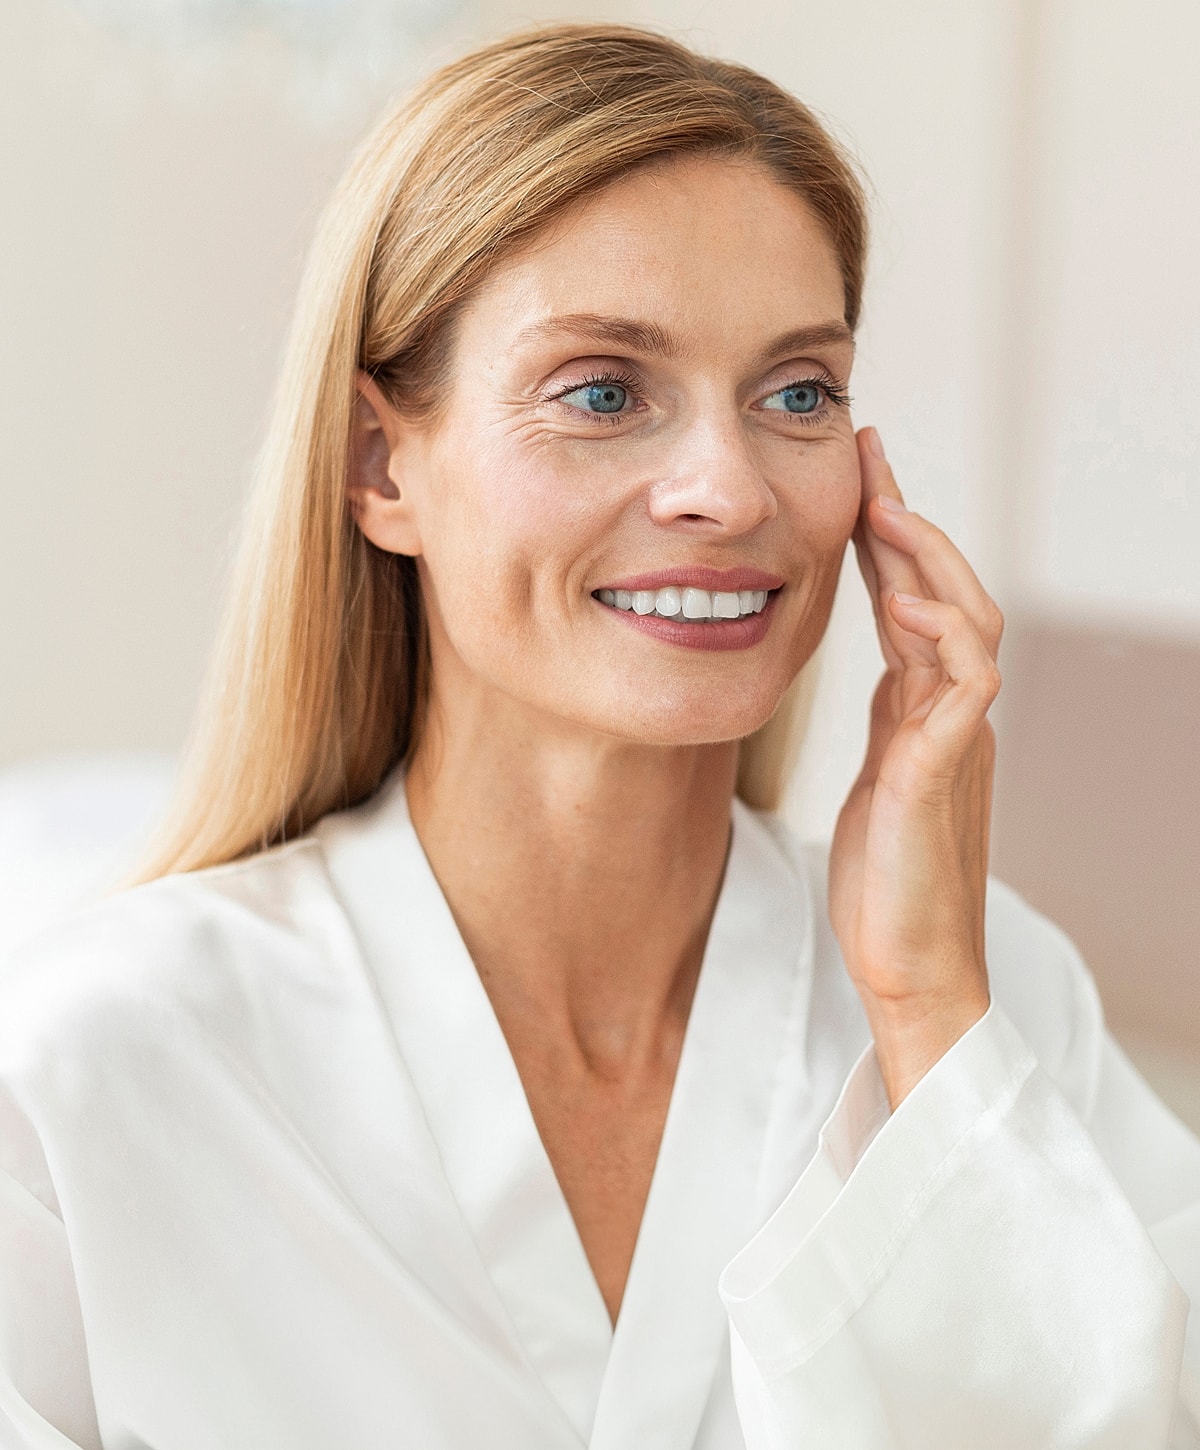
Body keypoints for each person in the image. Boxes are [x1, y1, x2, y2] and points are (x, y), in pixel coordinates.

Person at [1, 22, 1197, 1449]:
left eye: (797, 392)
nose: (727, 484)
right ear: (383, 466)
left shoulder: (991, 1008)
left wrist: (931, 1001)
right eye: (605, 391)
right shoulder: (105, 1062)